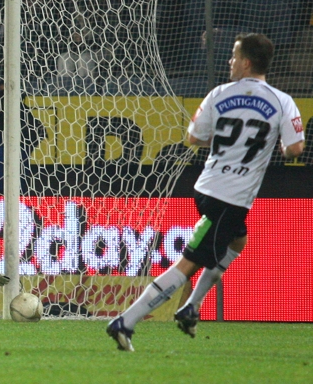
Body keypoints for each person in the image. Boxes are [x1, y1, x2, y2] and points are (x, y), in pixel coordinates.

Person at [106, 33, 304, 352]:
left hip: (208, 186)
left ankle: (190, 308)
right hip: (230, 198)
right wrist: (276, 145)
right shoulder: (283, 101)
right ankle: (125, 322)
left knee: (238, 240)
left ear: (247, 62)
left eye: (234, 56)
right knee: (188, 264)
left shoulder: (219, 94)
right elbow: (295, 147)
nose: (230, 61)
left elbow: (194, 138)